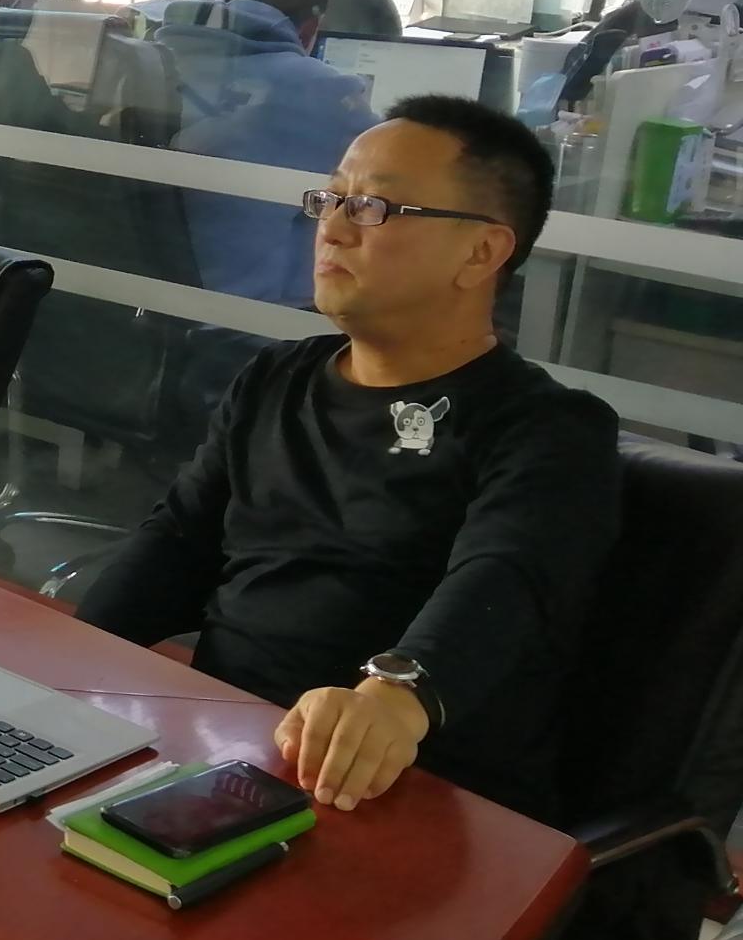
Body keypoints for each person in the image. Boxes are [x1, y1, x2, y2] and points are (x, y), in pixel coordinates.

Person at [75, 96, 618, 827]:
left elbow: (505, 583)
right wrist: (63, 665)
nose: (331, 226)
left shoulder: (548, 428)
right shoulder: (277, 378)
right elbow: (177, 541)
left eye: (374, 207)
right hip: (231, 752)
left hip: (405, 791)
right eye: (331, 198)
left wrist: (397, 696)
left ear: (482, 252)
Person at [158, 0, 377, 306]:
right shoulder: (320, 91)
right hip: (255, 318)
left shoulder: (160, 57)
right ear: (309, 29)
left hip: (152, 300)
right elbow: (397, 165)